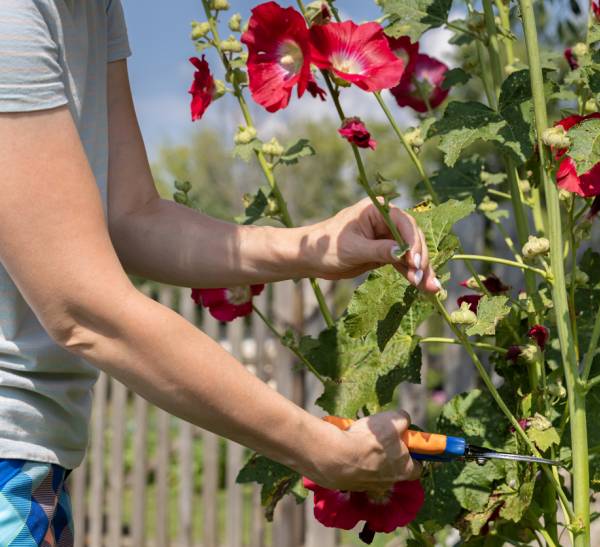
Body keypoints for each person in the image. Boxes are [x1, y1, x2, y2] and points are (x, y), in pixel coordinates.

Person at [0, 1, 439, 543]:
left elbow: (131, 215)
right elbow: (82, 307)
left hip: (34, 452)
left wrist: (313, 245)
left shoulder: (95, 9)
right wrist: (319, 447)